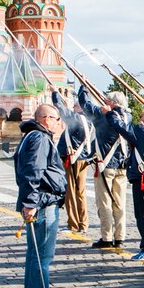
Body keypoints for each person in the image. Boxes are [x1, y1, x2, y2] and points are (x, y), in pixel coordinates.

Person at [14, 104, 66, 288]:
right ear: (46, 119)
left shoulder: (32, 136)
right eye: (56, 118)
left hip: (39, 201)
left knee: (36, 255)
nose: (59, 123)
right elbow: (34, 171)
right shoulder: (40, 138)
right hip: (43, 203)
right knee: (41, 256)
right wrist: (31, 203)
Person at [107, 107, 144, 261]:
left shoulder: (142, 130)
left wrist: (110, 112)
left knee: (143, 214)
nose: (142, 113)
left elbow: (120, 127)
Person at [79, 88, 130, 249]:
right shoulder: (128, 116)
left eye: (107, 100)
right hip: (122, 165)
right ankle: (120, 237)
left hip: (106, 165)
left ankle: (107, 237)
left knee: (105, 204)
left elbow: (85, 104)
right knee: (120, 203)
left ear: (112, 103)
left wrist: (83, 87)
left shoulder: (103, 115)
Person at [52, 91, 93, 233]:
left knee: (70, 192)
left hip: (72, 159)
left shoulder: (76, 119)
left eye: (76, 106)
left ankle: (73, 224)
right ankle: (83, 223)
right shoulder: (89, 121)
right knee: (80, 193)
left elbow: (60, 108)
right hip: (82, 159)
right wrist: (83, 87)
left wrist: (54, 92)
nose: (73, 108)